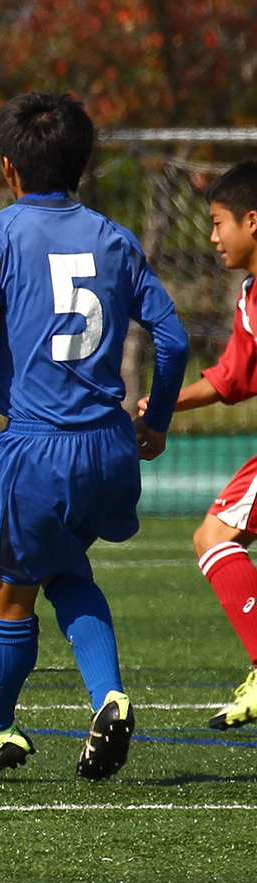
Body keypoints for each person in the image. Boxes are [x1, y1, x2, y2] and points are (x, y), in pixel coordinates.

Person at [0, 91, 187, 781]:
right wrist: (156, 420)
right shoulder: (115, 239)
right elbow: (174, 340)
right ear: (81, 165)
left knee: (6, 594)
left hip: (35, 448)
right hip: (110, 446)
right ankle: (109, 696)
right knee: (65, 571)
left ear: (8, 168)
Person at [142, 161, 257, 730]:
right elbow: (232, 378)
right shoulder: (250, 295)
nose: (212, 238)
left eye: (217, 222)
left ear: (251, 221)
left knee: (214, 536)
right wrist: (159, 406)